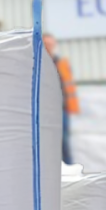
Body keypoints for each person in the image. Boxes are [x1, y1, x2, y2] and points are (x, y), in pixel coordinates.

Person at [43, 33, 80, 164]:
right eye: (46, 44)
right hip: (42, 111)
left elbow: (68, 85)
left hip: (61, 109)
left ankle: (68, 169)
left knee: (64, 141)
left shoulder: (62, 63)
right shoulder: (34, 63)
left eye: (50, 44)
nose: (48, 46)